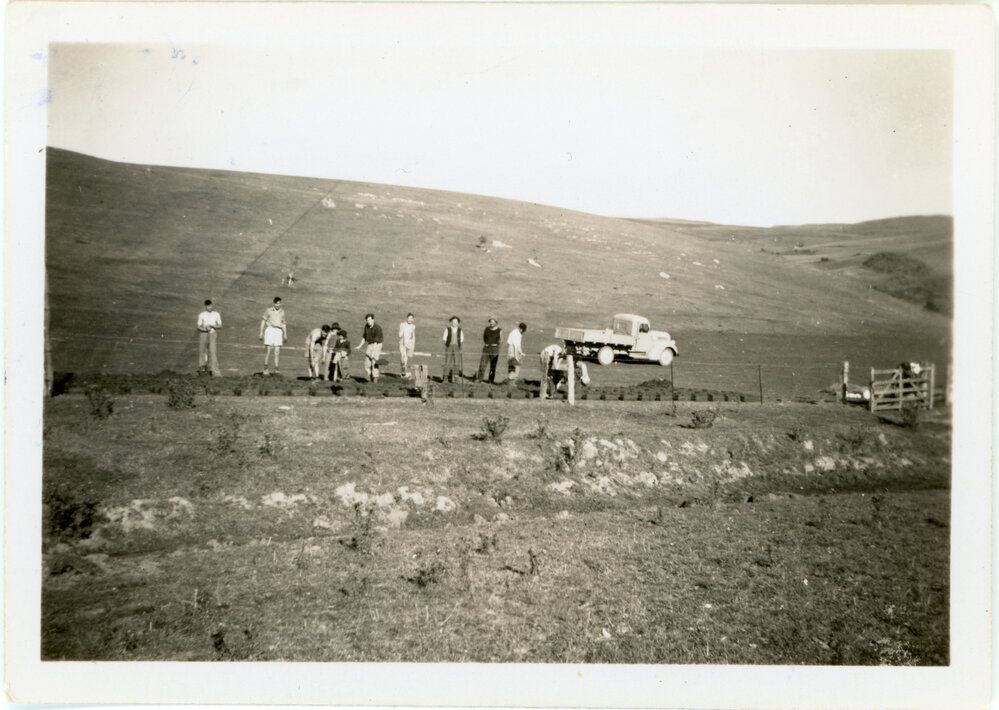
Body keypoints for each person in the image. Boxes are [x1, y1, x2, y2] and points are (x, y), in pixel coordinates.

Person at [259, 297, 287, 375]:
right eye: (277, 303)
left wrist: (285, 334)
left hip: (278, 331)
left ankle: (276, 369)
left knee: (277, 351)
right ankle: (265, 369)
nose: (278, 305)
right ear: (274, 303)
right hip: (270, 330)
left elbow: (284, 323)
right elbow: (263, 321)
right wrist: (261, 332)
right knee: (268, 350)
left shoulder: (282, 312)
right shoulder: (268, 310)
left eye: (280, 303)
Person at [196, 299, 223, 376]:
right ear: (205, 306)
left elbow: (220, 326)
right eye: (208, 306)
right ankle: (202, 369)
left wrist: (212, 326)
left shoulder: (216, 314)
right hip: (204, 334)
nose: (209, 307)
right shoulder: (202, 314)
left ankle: (215, 371)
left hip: (212, 334)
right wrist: (205, 329)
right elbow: (198, 327)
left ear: (212, 305)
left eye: (210, 305)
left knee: (213, 351)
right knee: (202, 351)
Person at [357, 313, 383, 382]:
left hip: (377, 345)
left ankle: (375, 377)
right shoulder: (366, 326)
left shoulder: (377, 328)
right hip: (370, 344)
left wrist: (373, 352)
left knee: (374, 360)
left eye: (369, 320)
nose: (368, 322)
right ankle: (369, 374)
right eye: (367, 320)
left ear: (373, 320)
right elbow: (364, 337)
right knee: (367, 362)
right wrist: (359, 346)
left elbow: (376, 342)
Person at [478, 318, 502, 383]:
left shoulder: (499, 330)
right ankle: (479, 379)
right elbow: (484, 338)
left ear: (496, 322)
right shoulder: (486, 329)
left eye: (493, 322)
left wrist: (496, 348)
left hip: (494, 349)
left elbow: (501, 340)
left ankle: (491, 380)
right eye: (490, 322)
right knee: (482, 363)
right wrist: (488, 344)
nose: (491, 323)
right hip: (486, 348)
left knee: (493, 365)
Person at [442, 316, 464, 382]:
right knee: (448, 361)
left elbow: (462, 339)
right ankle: (445, 377)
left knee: (456, 362)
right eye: (453, 322)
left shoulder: (460, 330)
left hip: (457, 347)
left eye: (456, 322)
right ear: (451, 322)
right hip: (449, 346)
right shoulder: (448, 329)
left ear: (458, 323)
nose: (455, 323)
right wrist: (448, 344)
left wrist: (458, 345)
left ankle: (456, 378)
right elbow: (444, 338)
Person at [398, 313, 416, 378]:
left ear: (413, 319)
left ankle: (405, 371)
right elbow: (399, 334)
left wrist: (413, 344)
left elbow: (413, 336)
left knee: (409, 357)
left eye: (411, 318)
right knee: (403, 357)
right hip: (403, 343)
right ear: (407, 318)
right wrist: (402, 331)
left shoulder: (413, 326)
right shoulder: (402, 324)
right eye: (408, 318)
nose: (409, 320)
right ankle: (403, 371)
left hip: (410, 343)